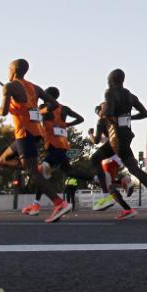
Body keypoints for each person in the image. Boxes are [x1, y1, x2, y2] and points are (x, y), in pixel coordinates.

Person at [0, 59, 71, 222]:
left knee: (32, 172)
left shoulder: (9, 86)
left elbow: (3, 112)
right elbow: (54, 104)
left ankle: (59, 203)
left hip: (25, 133)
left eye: (8, 69)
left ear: (13, 70)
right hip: (35, 132)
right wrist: (37, 111)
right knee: (3, 159)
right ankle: (38, 169)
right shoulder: (34, 87)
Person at [88, 69, 147, 220]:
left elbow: (97, 140)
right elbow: (142, 114)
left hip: (111, 153)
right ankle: (127, 206)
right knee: (112, 179)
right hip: (118, 148)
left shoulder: (103, 119)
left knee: (105, 180)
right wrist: (127, 117)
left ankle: (121, 190)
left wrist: (90, 134)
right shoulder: (128, 98)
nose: (100, 111)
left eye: (99, 109)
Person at [26, 87, 93, 216]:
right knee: (60, 171)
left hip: (53, 144)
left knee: (43, 172)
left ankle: (38, 204)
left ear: (47, 95)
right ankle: (36, 204)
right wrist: (66, 124)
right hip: (63, 143)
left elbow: (40, 116)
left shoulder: (45, 106)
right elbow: (80, 119)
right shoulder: (64, 109)